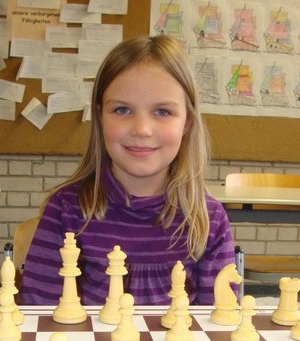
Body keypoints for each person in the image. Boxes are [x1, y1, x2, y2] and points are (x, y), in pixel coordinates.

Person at [19, 35, 235, 306]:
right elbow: (39, 311)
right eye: (122, 110)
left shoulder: (209, 220)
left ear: (188, 122)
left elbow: (221, 320)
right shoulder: (66, 209)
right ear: (100, 117)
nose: (142, 129)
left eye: (162, 112)